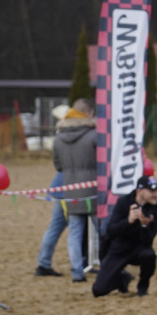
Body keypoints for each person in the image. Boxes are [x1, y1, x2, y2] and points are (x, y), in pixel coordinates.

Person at [92, 176, 157, 297]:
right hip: (119, 249)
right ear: (139, 191)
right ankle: (122, 278)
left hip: (140, 249)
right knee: (98, 291)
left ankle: (143, 287)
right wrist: (129, 221)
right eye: (152, 191)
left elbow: (148, 242)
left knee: (149, 255)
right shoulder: (123, 202)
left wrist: (144, 225)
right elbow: (111, 231)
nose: (156, 195)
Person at [53, 98, 98, 283]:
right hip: (94, 190)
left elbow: (58, 166)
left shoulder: (58, 137)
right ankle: (106, 266)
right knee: (102, 231)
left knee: (74, 233)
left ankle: (76, 272)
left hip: (71, 190)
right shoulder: (95, 135)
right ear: (87, 113)